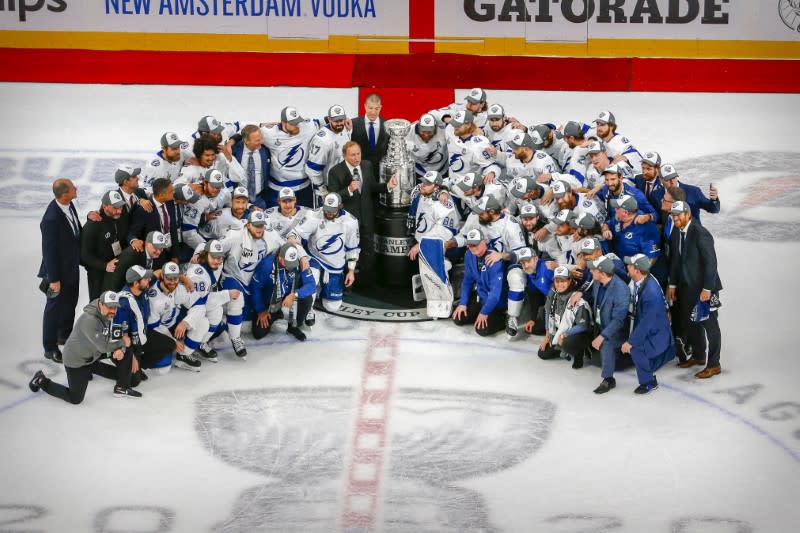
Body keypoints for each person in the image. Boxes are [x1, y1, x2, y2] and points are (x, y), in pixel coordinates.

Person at [28, 291, 140, 402]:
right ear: (100, 304)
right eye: (109, 307)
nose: (112, 311)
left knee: (128, 370)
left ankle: (121, 387)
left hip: (92, 356)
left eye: (114, 307)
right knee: (75, 398)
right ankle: (40, 380)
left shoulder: (106, 313)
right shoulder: (90, 320)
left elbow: (112, 339)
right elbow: (103, 347)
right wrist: (122, 344)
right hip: (77, 361)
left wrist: (123, 349)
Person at [327, 141, 397, 289]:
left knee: (368, 251)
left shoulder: (366, 165)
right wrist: (348, 189)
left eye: (358, 153)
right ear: (344, 155)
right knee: (347, 251)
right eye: (352, 155)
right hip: (347, 220)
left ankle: (366, 285)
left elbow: (371, 187)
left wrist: (387, 186)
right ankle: (346, 285)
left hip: (367, 217)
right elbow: (332, 198)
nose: (356, 157)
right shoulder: (335, 172)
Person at [667, 200, 723, 379]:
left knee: (710, 325)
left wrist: (707, 288)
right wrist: (673, 284)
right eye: (673, 215)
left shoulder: (700, 233)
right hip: (687, 287)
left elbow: (711, 263)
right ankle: (699, 356)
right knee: (690, 323)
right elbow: (676, 260)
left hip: (704, 289)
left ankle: (714, 364)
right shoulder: (676, 231)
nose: (675, 218)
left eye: (678, 215)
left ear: (688, 214)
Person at [220, 210, 283, 358]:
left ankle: (275, 311)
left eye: (261, 225)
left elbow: (289, 246)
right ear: (248, 225)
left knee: (248, 324)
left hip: (256, 280)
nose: (259, 229)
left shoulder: (270, 235)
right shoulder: (235, 236)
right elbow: (213, 247)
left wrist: (303, 257)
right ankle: (235, 339)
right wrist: (199, 255)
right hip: (234, 278)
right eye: (256, 225)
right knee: (237, 301)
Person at [294, 193, 360, 316]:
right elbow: (297, 233)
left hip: (335, 265)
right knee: (312, 278)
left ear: (340, 207)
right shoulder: (313, 215)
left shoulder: (351, 222)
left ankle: (321, 288)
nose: (329, 213)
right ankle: (308, 310)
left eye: (332, 210)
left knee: (332, 307)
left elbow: (353, 247)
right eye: (327, 210)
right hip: (314, 257)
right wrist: (294, 240)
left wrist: (350, 270)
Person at [39, 178, 82, 363]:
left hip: (71, 268)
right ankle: (50, 348)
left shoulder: (69, 205)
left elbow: (75, 232)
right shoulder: (51, 218)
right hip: (57, 272)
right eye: (73, 188)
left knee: (70, 302)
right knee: (53, 310)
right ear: (65, 193)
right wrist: (54, 279)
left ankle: (64, 335)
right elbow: (48, 252)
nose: (76, 189)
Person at [622, 254, 675, 394]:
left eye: (630, 265)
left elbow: (647, 323)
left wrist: (631, 342)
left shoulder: (651, 293)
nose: (627, 266)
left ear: (637, 270)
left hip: (657, 331)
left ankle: (649, 382)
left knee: (636, 349)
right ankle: (670, 351)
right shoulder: (641, 280)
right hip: (653, 327)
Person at [116, 265, 177, 383]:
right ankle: (117, 364)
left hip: (143, 334)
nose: (149, 280)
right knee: (134, 382)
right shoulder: (123, 303)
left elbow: (159, 271)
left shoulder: (142, 287)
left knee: (170, 344)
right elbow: (123, 336)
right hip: (130, 342)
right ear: (135, 282)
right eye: (145, 278)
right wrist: (132, 356)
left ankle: (140, 364)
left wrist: (185, 279)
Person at [583, 254, 630, 394]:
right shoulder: (598, 282)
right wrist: (580, 295)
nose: (590, 272)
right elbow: (592, 297)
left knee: (606, 343)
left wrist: (602, 336)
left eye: (593, 270)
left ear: (602, 273)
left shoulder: (620, 290)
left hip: (616, 330)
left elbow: (618, 321)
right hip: (600, 323)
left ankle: (608, 379)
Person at [251, 243, 316, 341]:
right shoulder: (266, 265)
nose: (290, 267)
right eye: (288, 263)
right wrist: (261, 310)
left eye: (292, 263)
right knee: (258, 333)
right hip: (270, 301)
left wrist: (295, 294)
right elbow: (255, 288)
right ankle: (276, 313)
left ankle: (294, 326)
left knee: (307, 298)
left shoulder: (300, 262)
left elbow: (311, 285)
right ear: (280, 257)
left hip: (289, 295)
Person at [260, 106, 321, 207]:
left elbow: (327, 120)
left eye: (297, 121)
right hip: (277, 188)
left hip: (303, 188)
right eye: (293, 123)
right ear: (283, 122)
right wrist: (231, 142)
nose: (297, 125)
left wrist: (346, 120)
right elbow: (245, 130)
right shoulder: (268, 133)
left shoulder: (308, 127)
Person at [452, 228, 507, 336]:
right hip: (481, 298)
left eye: (476, 244)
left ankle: (503, 317)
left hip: (497, 303)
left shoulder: (494, 259)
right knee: (458, 317)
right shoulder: (469, 255)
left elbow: (495, 295)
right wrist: (463, 303)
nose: (474, 248)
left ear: (484, 242)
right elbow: (467, 281)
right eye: (471, 245)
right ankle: (479, 313)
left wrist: (484, 312)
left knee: (482, 329)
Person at [538, 265, 592, 368]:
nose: (560, 284)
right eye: (557, 281)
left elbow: (583, 326)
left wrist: (564, 335)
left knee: (569, 342)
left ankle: (578, 353)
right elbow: (548, 312)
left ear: (570, 280)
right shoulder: (553, 293)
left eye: (563, 281)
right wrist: (547, 336)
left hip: (576, 332)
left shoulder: (577, 298)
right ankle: (562, 349)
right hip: (560, 327)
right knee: (543, 353)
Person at [81, 189, 125, 300]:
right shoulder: (93, 225)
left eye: (121, 207)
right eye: (115, 207)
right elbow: (84, 256)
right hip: (97, 276)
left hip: (114, 272)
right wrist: (105, 266)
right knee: (99, 306)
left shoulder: (118, 218)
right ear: (105, 206)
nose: (119, 211)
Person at [128, 178, 180, 268]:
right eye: (171, 191)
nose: (174, 192)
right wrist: (134, 240)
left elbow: (173, 229)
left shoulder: (170, 202)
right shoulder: (143, 210)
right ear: (162, 195)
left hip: (169, 250)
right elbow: (132, 232)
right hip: (155, 256)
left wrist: (175, 254)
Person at [305, 104, 352, 200]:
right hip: (328, 187)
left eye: (341, 120)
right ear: (329, 119)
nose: (339, 123)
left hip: (343, 183)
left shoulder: (344, 128)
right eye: (336, 121)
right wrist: (322, 190)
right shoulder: (322, 141)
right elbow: (312, 169)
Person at [505, 246, 551, 337]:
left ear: (536, 259)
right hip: (551, 303)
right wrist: (533, 319)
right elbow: (535, 297)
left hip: (564, 305)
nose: (526, 266)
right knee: (534, 329)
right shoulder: (530, 273)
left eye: (528, 261)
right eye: (523, 263)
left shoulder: (547, 268)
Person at [652, 163, 720, 224]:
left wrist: (714, 200)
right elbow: (657, 218)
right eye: (668, 179)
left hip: (692, 235)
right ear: (660, 180)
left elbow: (713, 209)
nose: (672, 182)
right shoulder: (655, 195)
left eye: (674, 177)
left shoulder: (694, 192)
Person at [591, 110, 643, 176]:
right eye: (597, 124)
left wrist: (626, 158)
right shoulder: (600, 142)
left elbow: (637, 157)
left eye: (602, 125)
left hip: (631, 179)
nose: (599, 128)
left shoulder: (620, 140)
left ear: (612, 126)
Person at [232, 124, 271, 208]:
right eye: (257, 140)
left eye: (261, 139)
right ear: (246, 141)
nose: (261, 142)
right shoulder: (235, 150)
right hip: (240, 201)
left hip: (260, 199)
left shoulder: (265, 150)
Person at [351, 93, 388, 172]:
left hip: (381, 171)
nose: (373, 112)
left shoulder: (387, 125)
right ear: (365, 106)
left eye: (376, 108)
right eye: (370, 108)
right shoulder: (353, 123)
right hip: (360, 171)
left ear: (380, 108)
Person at [406, 113, 448, 180]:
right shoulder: (408, 132)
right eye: (423, 131)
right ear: (419, 127)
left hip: (442, 170)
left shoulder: (444, 130)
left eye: (429, 132)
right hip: (419, 171)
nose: (426, 135)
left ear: (435, 128)